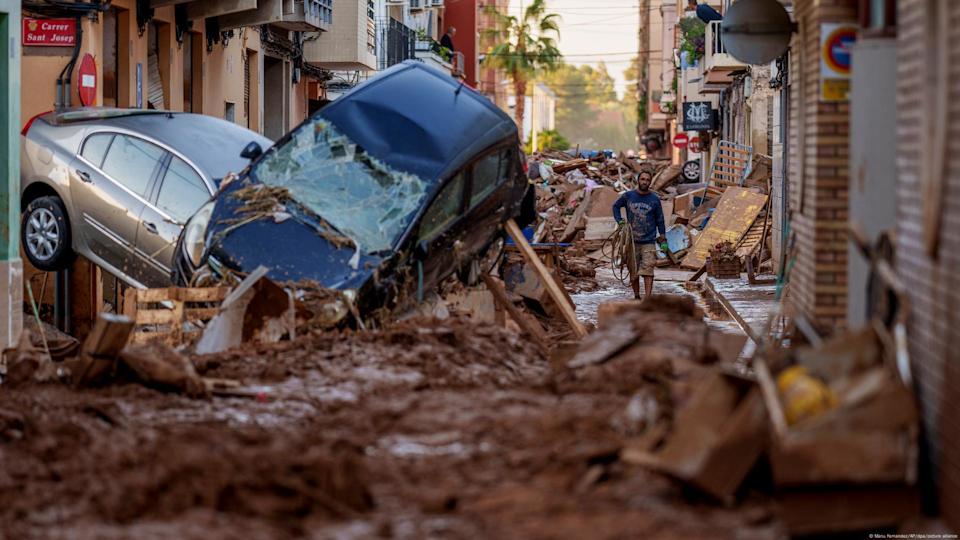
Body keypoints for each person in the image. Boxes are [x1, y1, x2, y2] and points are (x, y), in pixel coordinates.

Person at [612, 170, 666, 300]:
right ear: (638, 180)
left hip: (649, 241)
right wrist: (619, 220)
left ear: (650, 182)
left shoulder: (654, 199)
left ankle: (647, 298)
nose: (645, 182)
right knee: (633, 270)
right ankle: (636, 296)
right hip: (632, 240)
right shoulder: (628, 196)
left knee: (648, 270)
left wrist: (663, 238)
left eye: (647, 180)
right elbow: (615, 206)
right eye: (643, 179)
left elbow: (660, 219)